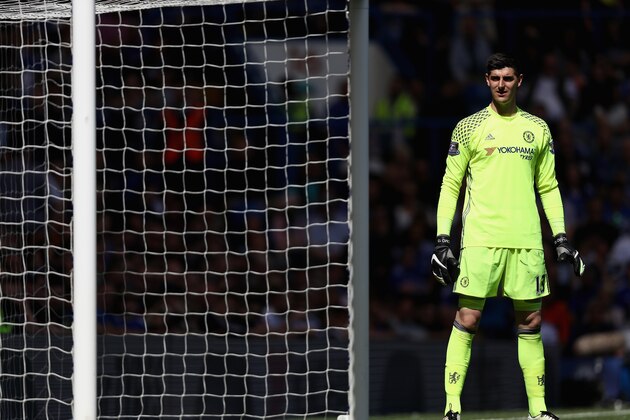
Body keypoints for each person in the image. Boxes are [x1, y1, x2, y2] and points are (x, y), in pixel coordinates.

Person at [430, 52, 586, 420]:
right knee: (467, 318)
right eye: (495, 78)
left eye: (508, 78)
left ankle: (538, 411)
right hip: (480, 239)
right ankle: (452, 407)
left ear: (520, 81)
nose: (502, 84)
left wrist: (560, 236)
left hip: (528, 241)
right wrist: (442, 240)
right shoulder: (468, 127)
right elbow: (450, 185)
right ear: (487, 81)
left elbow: (548, 186)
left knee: (530, 323)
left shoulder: (539, 128)